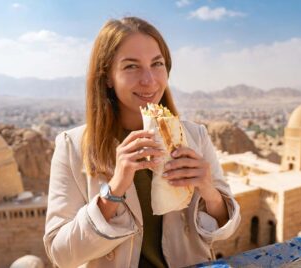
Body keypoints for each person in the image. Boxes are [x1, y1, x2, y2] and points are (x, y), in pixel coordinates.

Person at [43, 16, 241, 268]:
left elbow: (226, 231)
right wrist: (114, 190)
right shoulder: (72, 147)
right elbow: (60, 254)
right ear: (107, 78)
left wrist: (209, 190)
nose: (149, 80)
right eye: (131, 66)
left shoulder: (194, 136)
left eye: (157, 64)